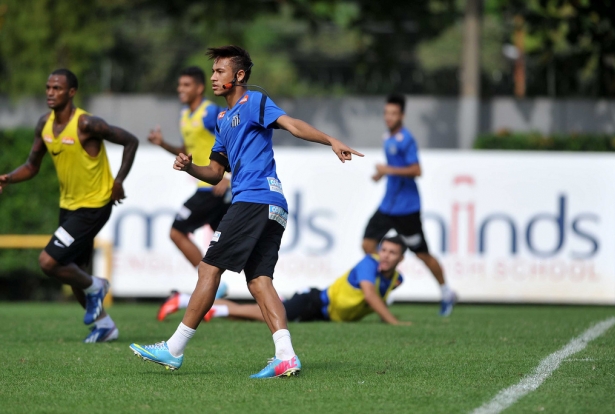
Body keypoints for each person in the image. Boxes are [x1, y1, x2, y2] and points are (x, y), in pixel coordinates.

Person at [129, 45, 363, 378]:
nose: (213, 77)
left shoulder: (254, 101)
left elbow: (292, 124)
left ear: (239, 75)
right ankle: (286, 356)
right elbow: (215, 173)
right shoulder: (222, 120)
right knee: (259, 281)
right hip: (272, 205)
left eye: (219, 71)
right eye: (212, 71)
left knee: (209, 268)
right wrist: (189, 167)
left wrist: (330, 140)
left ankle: (174, 348)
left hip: (255, 200)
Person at [0, 69, 138, 342]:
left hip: (94, 206)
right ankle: (105, 326)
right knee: (74, 271)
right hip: (68, 206)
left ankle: (97, 286)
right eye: (48, 87)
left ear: (71, 92)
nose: (51, 92)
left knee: (49, 261)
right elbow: (32, 166)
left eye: (57, 88)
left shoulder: (86, 123)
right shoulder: (44, 124)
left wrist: (119, 181)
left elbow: (130, 141)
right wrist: (8, 178)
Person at [147, 67, 229, 322]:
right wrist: (162, 144)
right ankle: (266, 292)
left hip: (212, 188)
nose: (180, 89)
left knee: (177, 230)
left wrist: (229, 177)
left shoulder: (210, 113)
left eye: (186, 85)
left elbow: (234, 141)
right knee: (233, 245)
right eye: (179, 85)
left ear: (199, 88)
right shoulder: (185, 115)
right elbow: (186, 150)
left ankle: (212, 284)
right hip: (205, 187)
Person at [362, 93, 457, 316]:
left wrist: (387, 170)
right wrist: (382, 175)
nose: (389, 117)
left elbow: (416, 170)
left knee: (422, 254)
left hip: (406, 209)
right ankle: (387, 283)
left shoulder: (407, 139)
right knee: (368, 245)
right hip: (387, 205)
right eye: (386, 113)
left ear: (402, 116)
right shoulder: (387, 137)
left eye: (394, 113)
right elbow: (396, 166)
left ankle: (446, 292)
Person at [204, 236, 411, 325]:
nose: (385, 256)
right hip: (314, 302)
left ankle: (217, 308)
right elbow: (370, 295)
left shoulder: (396, 279)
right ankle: (211, 306)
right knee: (272, 315)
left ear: (401, 259)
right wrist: (393, 322)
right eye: (384, 250)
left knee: (261, 317)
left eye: (392, 253)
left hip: (323, 314)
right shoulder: (369, 264)